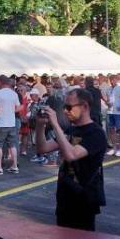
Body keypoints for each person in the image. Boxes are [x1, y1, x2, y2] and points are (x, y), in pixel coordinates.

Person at [35, 88, 107, 231]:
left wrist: (55, 124)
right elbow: (42, 148)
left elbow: (71, 155)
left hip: (84, 198)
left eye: (69, 107)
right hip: (65, 196)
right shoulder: (71, 130)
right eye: (64, 107)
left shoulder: (96, 133)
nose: (66, 111)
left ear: (85, 106)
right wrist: (40, 125)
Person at [0, 75, 21, 175]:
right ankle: (14, 166)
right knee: (12, 145)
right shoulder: (14, 94)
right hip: (11, 123)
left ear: (1, 83)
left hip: (1, 123)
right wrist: (10, 111)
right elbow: (18, 107)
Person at [105, 75, 120, 157]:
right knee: (111, 130)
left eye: (113, 80)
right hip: (110, 112)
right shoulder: (108, 89)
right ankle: (114, 148)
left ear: (116, 80)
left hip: (118, 113)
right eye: (110, 80)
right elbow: (108, 100)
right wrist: (107, 103)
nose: (111, 81)